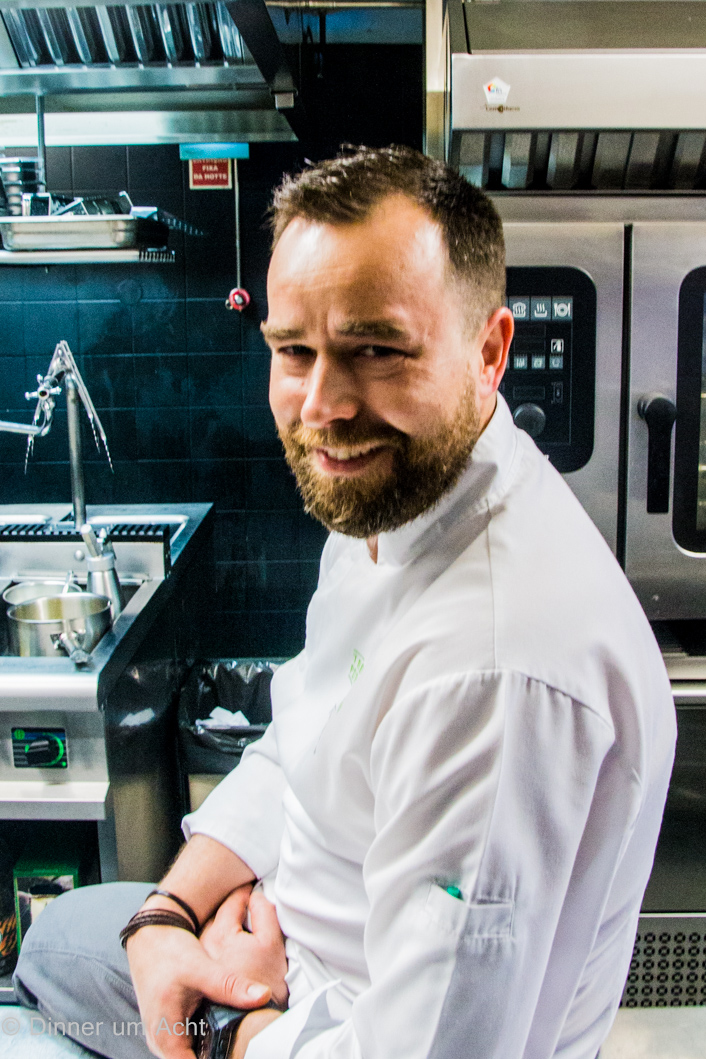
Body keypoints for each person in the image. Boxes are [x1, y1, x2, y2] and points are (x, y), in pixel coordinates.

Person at [14, 145, 675, 1059]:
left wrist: (234, 1017)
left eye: (375, 350)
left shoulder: (492, 669)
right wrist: (172, 912)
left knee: (52, 956)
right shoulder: (394, 496)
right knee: (66, 933)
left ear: (489, 351)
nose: (322, 405)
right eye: (294, 350)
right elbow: (303, 739)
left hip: (311, 1023)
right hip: (286, 946)